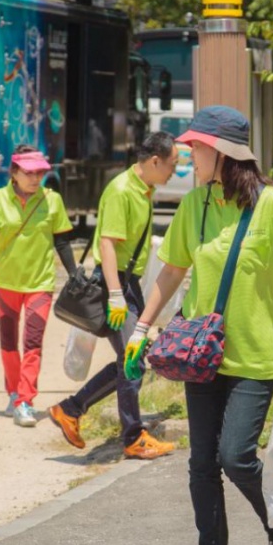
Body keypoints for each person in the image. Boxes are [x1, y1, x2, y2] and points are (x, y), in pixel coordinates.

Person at [122, 106, 273, 545]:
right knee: (202, 462)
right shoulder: (195, 205)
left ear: (223, 153)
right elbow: (171, 272)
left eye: (196, 148)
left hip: (254, 356)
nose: (188, 156)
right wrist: (142, 328)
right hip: (201, 356)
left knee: (237, 456)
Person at [47, 132, 179, 459]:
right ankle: (133, 437)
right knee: (133, 358)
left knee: (130, 357)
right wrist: (116, 295)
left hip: (126, 283)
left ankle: (71, 408)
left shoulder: (143, 189)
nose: (174, 172)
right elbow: (107, 244)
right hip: (114, 284)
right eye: (172, 165)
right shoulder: (122, 191)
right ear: (154, 161)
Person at [0, 145, 76, 427]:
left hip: (40, 282)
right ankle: (13, 391)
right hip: (7, 282)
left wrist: (74, 273)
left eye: (40, 173)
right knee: (8, 343)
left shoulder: (52, 200)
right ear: (14, 173)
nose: (36, 178)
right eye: (29, 173)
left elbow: (62, 241)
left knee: (32, 343)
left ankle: (25, 401)